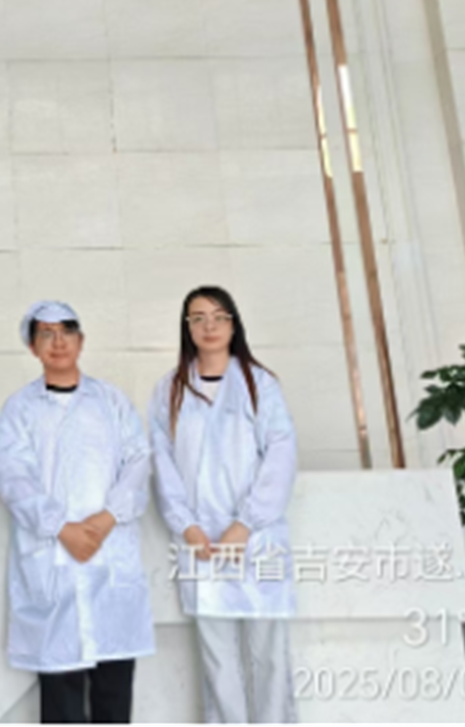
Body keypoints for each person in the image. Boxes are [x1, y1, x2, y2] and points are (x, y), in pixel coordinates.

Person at [0, 301, 155, 724]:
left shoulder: (112, 401)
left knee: (113, 695)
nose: (58, 341)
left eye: (66, 331)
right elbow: (14, 477)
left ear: (81, 341)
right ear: (33, 347)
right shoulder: (19, 409)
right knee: (60, 699)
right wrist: (60, 528)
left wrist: (106, 518)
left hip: (109, 562)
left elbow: (138, 461)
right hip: (54, 565)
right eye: (46, 334)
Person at [149, 286, 298, 723]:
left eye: (218, 316)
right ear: (187, 328)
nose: (209, 326)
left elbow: (281, 455)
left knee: (270, 657)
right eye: (198, 318)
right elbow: (162, 463)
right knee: (218, 662)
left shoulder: (259, 384)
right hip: (202, 544)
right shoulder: (170, 391)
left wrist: (246, 523)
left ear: (234, 324)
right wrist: (187, 526)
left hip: (257, 540)